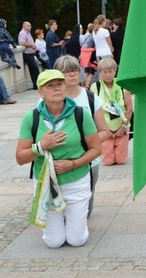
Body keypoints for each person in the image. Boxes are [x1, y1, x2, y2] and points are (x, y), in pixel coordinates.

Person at [15, 70, 102, 248]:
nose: (56, 89)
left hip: (76, 181)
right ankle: (64, 223)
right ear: (41, 92)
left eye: (59, 84)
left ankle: (77, 224)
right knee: (54, 242)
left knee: (76, 240)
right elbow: (20, 157)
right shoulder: (31, 117)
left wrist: (72, 164)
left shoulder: (81, 113)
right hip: (46, 183)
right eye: (50, 86)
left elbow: (96, 149)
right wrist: (41, 146)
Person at [53, 56, 109, 216]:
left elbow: (104, 131)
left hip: (88, 160)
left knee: (85, 205)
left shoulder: (90, 98)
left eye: (75, 70)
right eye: (67, 71)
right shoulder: (50, 99)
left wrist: (86, 146)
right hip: (58, 159)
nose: (72, 75)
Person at [90, 58, 132, 166]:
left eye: (110, 71)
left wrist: (123, 127)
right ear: (100, 73)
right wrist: (104, 130)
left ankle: (121, 145)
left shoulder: (122, 85)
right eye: (104, 72)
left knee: (121, 160)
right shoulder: (95, 88)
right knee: (108, 162)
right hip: (104, 128)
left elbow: (129, 108)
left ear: (115, 71)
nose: (108, 74)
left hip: (122, 125)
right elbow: (91, 111)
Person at [19, 21, 41, 90]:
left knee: (33, 70)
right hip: (27, 54)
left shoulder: (27, 33)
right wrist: (31, 45)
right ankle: (37, 85)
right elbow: (22, 43)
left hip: (31, 54)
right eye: (29, 26)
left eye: (30, 25)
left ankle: (36, 85)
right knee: (35, 70)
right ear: (24, 26)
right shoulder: (23, 33)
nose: (30, 27)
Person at [80, 23, 97, 88]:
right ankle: (87, 85)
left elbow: (81, 44)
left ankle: (86, 84)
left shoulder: (84, 36)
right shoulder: (94, 36)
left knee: (86, 70)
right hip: (91, 54)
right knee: (92, 70)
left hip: (84, 54)